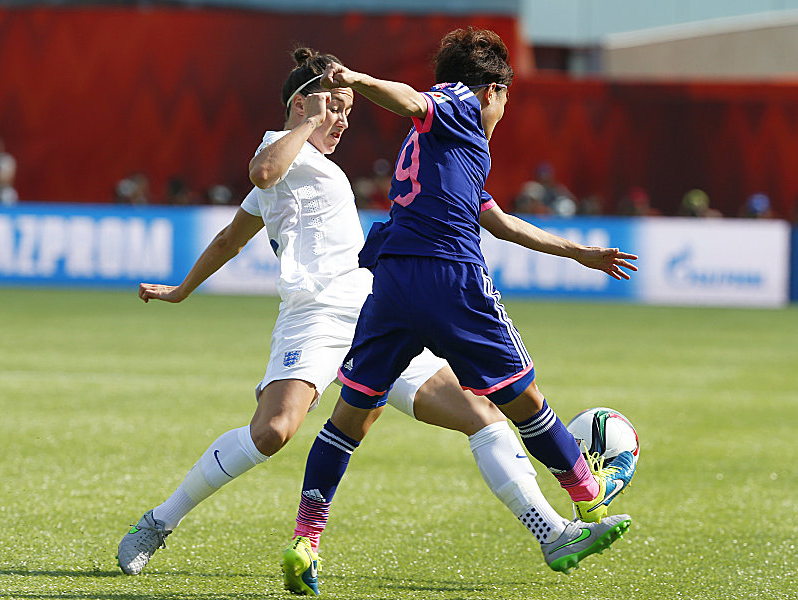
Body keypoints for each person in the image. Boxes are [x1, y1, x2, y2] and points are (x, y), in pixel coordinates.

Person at [115, 47, 585, 581]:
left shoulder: (311, 166)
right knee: (272, 432)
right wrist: (309, 117)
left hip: (375, 314)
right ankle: (157, 523)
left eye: (346, 111)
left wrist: (183, 289)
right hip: (313, 318)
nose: (340, 120)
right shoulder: (278, 149)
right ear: (301, 104)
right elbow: (264, 172)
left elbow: (229, 238)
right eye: (333, 107)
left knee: (481, 415)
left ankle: (552, 530)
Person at [282, 28, 639, 595]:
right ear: (494, 90)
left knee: (350, 417)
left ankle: (306, 538)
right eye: (505, 100)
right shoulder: (459, 104)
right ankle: (589, 501)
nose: (500, 111)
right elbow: (413, 100)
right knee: (524, 399)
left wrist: (581, 253)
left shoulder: (446, 151)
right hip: (449, 277)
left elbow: (500, 222)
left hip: (393, 283)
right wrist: (358, 80)